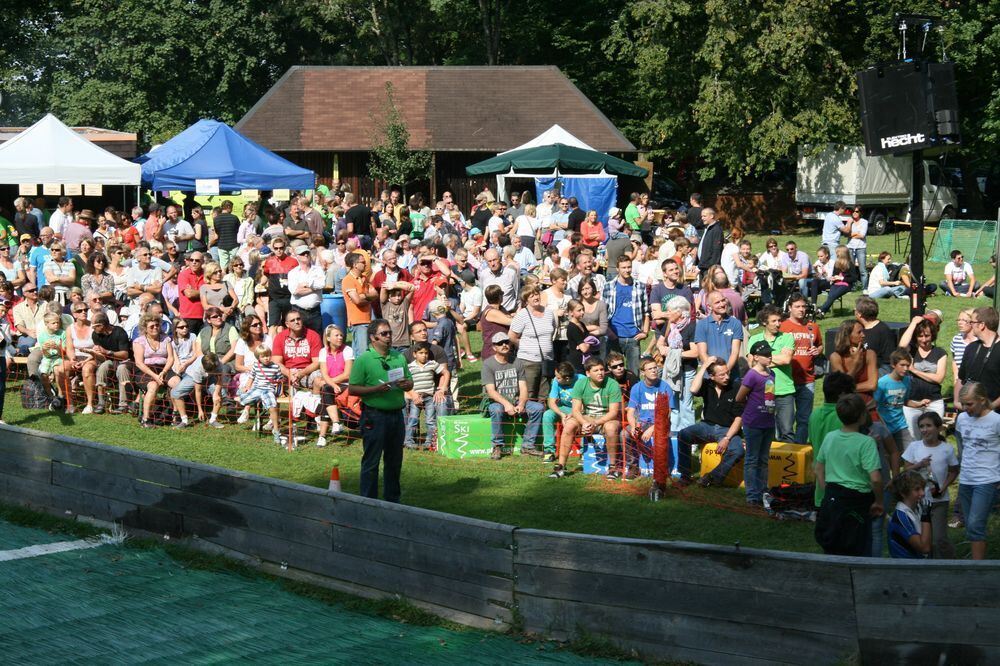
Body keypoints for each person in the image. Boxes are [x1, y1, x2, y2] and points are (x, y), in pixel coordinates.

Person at [348, 318, 413, 503]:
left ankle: (392, 500)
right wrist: (375, 390)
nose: (388, 337)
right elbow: (353, 389)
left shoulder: (398, 357)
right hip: (374, 416)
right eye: (384, 334)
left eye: (390, 333)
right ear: (373, 338)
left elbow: (409, 383)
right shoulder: (363, 360)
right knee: (372, 461)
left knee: (394, 461)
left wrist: (407, 384)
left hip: (396, 415)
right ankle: (368, 501)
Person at [814, 393, 884, 556]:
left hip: (833, 497)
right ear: (862, 416)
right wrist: (879, 502)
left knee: (833, 544)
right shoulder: (867, 442)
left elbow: (818, 468)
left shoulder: (830, 437)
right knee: (858, 545)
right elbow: (875, 478)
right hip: (858, 501)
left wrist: (827, 490)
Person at [550, 357, 622, 479]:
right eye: (596, 370)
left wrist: (596, 423)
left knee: (611, 428)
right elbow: (576, 410)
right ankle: (561, 466)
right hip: (587, 417)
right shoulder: (581, 383)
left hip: (606, 419)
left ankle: (613, 467)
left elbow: (614, 412)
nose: (600, 373)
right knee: (569, 425)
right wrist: (584, 422)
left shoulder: (612, 384)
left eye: (602, 369)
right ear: (588, 373)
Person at [901, 412, 959, 558]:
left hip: (939, 501)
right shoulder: (915, 446)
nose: (924, 429)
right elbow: (905, 469)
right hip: (918, 501)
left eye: (928, 425)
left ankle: (950, 562)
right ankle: (929, 564)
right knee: (924, 539)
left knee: (939, 538)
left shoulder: (947, 448)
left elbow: (953, 471)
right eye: (921, 426)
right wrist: (919, 464)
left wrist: (943, 488)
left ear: (938, 428)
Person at [954, 381, 1000, 560]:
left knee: (974, 524)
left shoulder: (996, 421)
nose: (965, 408)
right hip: (966, 479)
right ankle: (977, 562)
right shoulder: (962, 419)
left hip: (988, 479)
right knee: (971, 525)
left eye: (969, 404)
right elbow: (963, 448)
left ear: (982, 400)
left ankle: (976, 569)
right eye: (963, 403)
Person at [482, 331, 543, 459]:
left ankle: (527, 446)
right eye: (500, 343)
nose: (504, 345)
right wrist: (507, 404)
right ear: (494, 347)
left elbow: (523, 387)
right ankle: (497, 446)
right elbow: (491, 391)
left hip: (516, 400)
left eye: (506, 342)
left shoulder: (517, 362)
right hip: (497, 402)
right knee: (496, 410)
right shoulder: (488, 364)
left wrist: (521, 404)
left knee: (538, 408)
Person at [736, 341, 776, 506]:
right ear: (756, 357)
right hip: (753, 423)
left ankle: (763, 490)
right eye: (766, 355)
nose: (770, 357)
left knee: (764, 458)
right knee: (752, 459)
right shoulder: (752, 375)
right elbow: (739, 397)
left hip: (768, 422)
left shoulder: (772, 374)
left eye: (770, 354)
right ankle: (752, 495)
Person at [746, 305, 794, 442]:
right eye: (774, 321)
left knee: (787, 431)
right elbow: (752, 364)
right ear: (764, 322)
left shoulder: (787, 338)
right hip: (763, 393)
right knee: (766, 432)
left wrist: (762, 360)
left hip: (785, 391)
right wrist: (775, 358)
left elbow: (786, 359)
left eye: (779, 320)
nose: (778, 324)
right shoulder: (754, 339)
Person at [780, 294, 823, 443]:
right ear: (790, 308)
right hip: (786, 380)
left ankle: (799, 449)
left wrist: (818, 351)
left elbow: (819, 345)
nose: (801, 310)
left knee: (804, 419)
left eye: (804, 306)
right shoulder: (782, 326)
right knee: (786, 420)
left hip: (807, 379)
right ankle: (785, 450)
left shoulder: (813, 326)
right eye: (797, 306)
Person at [897, 315, 947, 439]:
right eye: (920, 336)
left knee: (934, 437)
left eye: (927, 336)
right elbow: (902, 346)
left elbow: (939, 378)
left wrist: (915, 370)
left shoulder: (940, 353)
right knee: (913, 438)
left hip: (934, 401)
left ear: (933, 335)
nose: (924, 339)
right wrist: (913, 323)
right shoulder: (912, 351)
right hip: (912, 401)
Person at [625, 357, 674, 479]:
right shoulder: (637, 388)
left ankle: (662, 470)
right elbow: (630, 412)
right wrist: (634, 426)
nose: (654, 371)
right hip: (642, 422)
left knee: (660, 434)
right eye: (650, 369)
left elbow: (668, 414)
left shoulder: (665, 387)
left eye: (655, 368)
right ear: (643, 372)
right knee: (624, 434)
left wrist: (652, 428)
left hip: (661, 423)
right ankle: (633, 468)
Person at [602, 256, 650, 373]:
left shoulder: (640, 286)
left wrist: (645, 331)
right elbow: (603, 312)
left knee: (634, 372)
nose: (627, 270)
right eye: (623, 267)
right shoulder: (608, 286)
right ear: (618, 269)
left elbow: (646, 312)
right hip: (614, 335)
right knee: (613, 373)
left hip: (633, 335)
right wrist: (608, 331)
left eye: (629, 267)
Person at [133, 313, 180, 428]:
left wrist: (163, 372)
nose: (155, 328)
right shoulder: (139, 341)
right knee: (153, 386)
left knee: (177, 382)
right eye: (152, 326)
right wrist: (155, 376)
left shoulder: (166, 339)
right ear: (145, 328)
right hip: (146, 370)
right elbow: (139, 363)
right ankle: (146, 419)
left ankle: (175, 414)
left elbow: (170, 358)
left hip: (163, 368)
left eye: (157, 325)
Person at [874, 350, 914, 471]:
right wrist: (882, 425)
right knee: (890, 458)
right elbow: (874, 406)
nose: (906, 368)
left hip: (900, 425)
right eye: (902, 365)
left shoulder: (907, 381)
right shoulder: (882, 383)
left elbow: (905, 401)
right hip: (885, 426)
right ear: (893, 365)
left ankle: (908, 481)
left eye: (908, 365)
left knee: (910, 454)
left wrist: (918, 404)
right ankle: (894, 482)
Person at [236, 345, 284, 445]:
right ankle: (248, 408)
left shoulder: (275, 367)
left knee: (272, 407)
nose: (266, 358)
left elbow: (280, 381)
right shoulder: (256, 366)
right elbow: (251, 377)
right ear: (258, 357)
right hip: (257, 388)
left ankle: (276, 430)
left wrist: (281, 392)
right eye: (263, 356)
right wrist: (247, 387)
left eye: (268, 355)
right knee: (241, 399)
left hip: (268, 390)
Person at [314, 324, 353, 446]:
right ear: (328, 338)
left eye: (341, 335)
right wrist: (332, 384)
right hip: (331, 385)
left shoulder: (347, 350)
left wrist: (332, 383)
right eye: (337, 335)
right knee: (326, 391)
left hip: (346, 385)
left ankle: (323, 435)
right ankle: (336, 423)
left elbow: (347, 374)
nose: (340, 337)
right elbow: (324, 374)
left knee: (325, 392)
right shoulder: (322, 352)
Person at [830, 320, 878, 410]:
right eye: (859, 332)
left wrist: (848, 389)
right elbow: (842, 385)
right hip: (846, 409)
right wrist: (855, 364)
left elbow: (872, 385)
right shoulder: (836, 357)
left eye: (863, 331)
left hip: (867, 407)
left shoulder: (870, 354)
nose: (863, 335)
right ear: (847, 336)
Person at [958, 307, 1000, 411]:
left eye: (972, 322)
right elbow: (960, 379)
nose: (970, 324)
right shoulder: (971, 348)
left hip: (994, 416)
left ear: (981, 325)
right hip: (968, 413)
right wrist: (957, 402)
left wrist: (990, 407)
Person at [404, 341, 443, 450]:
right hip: (416, 397)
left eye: (426, 353)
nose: (424, 355)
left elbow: (444, 373)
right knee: (413, 419)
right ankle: (409, 441)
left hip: (429, 397)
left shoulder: (432, 364)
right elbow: (405, 381)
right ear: (414, 354)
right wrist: (411, 394)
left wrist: (441, 388)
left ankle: (430, 442)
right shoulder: (410, 367)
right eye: (421, 353)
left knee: (430, 420)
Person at [694, 290, 743, 377]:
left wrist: (725, 372)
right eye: (717, 302)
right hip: (710, 376)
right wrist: (715, 373)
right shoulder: (702, 325)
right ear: (709, 306)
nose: (722, 304)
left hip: (731, 374)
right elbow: (702, 353)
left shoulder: (735, 323)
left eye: (723, 300)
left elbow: (735, 352)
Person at [886, 470, 932, 559]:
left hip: (917, 564)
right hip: (904, 567)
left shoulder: (917, 507)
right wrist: (926, 516)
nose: (922, 493)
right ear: (903, 493)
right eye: (917, 489)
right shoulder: (901, 517)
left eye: (923, 488)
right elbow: (925, 547)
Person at [543, 362, 577, 464]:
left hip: (580, 409)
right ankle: (549, 450)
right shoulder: (555, 381)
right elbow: (551, 402)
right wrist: (561, 414)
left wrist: (573, 414)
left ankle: (585, 451)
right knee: (547, 415)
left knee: (583, 418)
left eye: (558, 377)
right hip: (563, 408)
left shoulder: (582, 380)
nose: (555, 379)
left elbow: (586, 403)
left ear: (567, 378)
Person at [288, 244, 325, 335]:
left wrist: (305, 285)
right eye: (303, 253)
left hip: (315, 311)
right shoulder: (293, 273)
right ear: (297, 256)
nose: (306, 255)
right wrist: (314, 288)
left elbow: (321, 285)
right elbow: (295, 292)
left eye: (307, 253)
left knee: (317, 337)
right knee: (299, 337)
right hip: (299, 311)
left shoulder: (318, 270)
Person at [855, 296, 896, 374]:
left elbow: (888, 361)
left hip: (880, 370)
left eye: (855, 310)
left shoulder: (883, 330)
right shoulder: (859, 328)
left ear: (859, 314)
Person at [818, 246, 860, 315]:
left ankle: (821, 310)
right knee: (831, 296)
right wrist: (833, 278)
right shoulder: (836, 263)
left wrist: (842, 278)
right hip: (836, 283)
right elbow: (834, 274)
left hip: (846, 285)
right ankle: (822, 313)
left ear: (842, 254)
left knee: (832, 296)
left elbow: (854, 278)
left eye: (837, 252)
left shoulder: (850, 264)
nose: (836, 254)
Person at [846, 208, 869, 288]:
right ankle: (852, 287)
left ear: (860, 212)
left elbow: (862, 235)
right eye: (853, 211)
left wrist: (851, 234)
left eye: (857, 211)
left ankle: (864, 287)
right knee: (851, 269)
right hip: (850, 247)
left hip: (861, 248)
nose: (854, 213)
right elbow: (846, 234)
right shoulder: (849, 221)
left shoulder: (864, 222)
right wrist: (856, 233)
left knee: (862, 269)